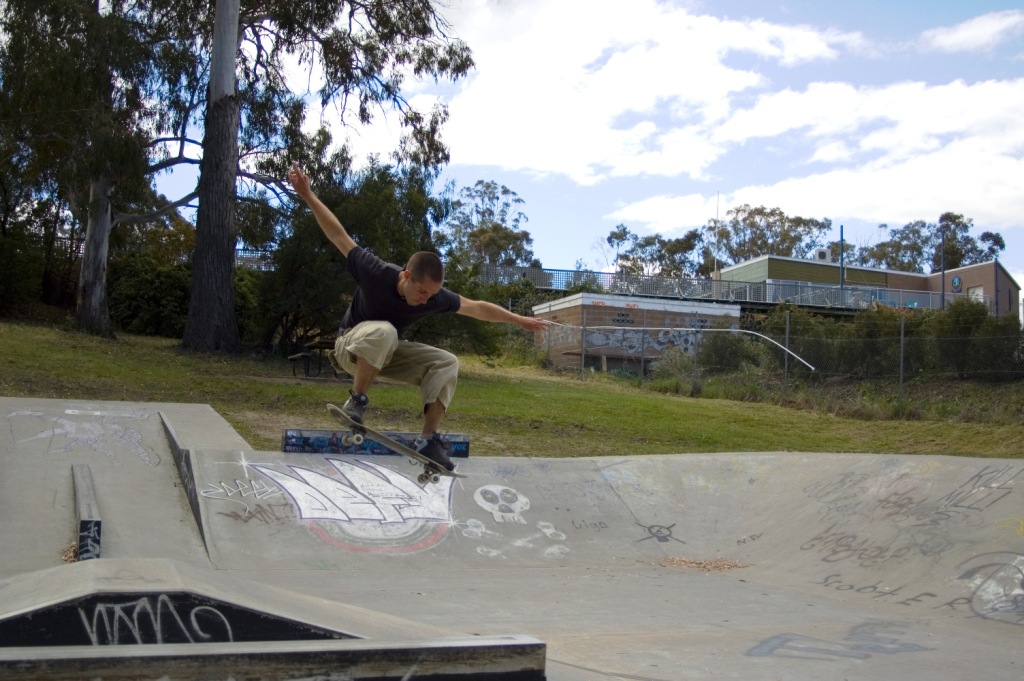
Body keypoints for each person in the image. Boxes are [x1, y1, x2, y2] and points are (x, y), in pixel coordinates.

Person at [287, 162, 549, 471]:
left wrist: (520, 320)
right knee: (386, 331)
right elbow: (338, 236)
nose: (425, 300)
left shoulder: (434, 296)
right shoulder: (375, 271)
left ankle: (428, 438)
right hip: (350, 348)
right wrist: (307, 195)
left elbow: (476, 307)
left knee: (447, 361)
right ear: (407, 276)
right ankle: (356, 401)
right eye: (422, 292)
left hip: (387, 353)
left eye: (431, 295)